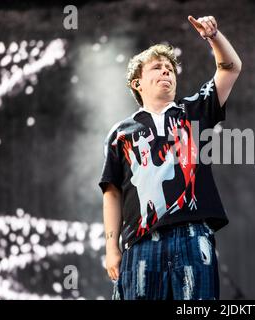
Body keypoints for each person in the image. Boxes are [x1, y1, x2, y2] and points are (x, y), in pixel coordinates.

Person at [98, 15, 242, 300]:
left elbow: (230, 67)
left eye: (170, 69)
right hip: (140, 243)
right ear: (138, 83)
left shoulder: (193, 112)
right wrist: (111, 248)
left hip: (192, 236)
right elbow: (112, 192)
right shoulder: (120, 133)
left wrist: (213, 37)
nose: (166, 72)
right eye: (157, 68)